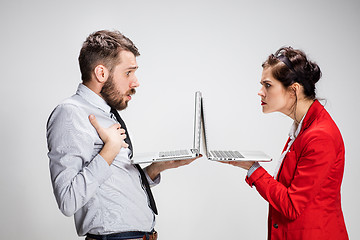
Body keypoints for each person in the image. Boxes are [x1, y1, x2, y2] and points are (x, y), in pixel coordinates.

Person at [46, 30, 199, 240]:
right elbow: (68, 200)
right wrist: (109, 150)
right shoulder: (70, 113)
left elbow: (112, 186)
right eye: (128, 72)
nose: (135, 82)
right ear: (101, 73)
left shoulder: (106, 113)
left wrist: (158, 167)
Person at [223, 47, 348, 239]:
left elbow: (291, 205)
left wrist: (252, 169)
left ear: (293, 90)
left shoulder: (320, 136)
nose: (260, 92)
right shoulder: (303, 127)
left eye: (268, 85)